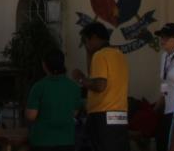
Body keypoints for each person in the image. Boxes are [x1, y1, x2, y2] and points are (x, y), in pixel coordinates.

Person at [72, 21, 129, 151]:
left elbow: (99, 85)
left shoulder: (100, 55)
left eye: (86, 41)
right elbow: (94, 75)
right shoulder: (119, 55)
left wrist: (80, 79)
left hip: (102, 115)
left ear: (94, 37)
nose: (86, 45)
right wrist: (88, 52)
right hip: (120, 115)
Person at [26, 48, 83, 151]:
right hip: (67, 141)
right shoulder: (74, 87)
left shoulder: (39, 87)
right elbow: (74, 113)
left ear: (44, 64)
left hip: (42, 141)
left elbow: (31, 116)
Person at [154, 24, 174, 151]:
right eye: (161, 37)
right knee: (162, 141)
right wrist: (159, 103)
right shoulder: (164, 56)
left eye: (166, 38)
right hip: (167, 108)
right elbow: (165, 81)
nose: (162, 41)